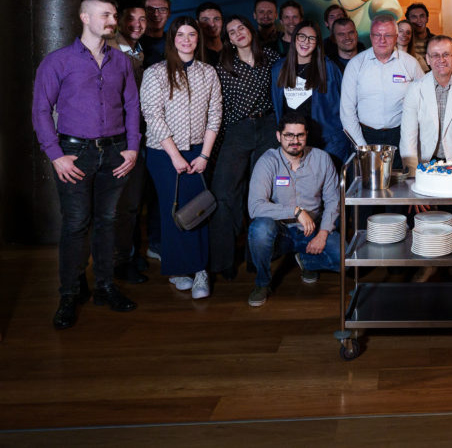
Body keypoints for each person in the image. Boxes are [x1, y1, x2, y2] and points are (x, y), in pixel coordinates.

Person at [33, 0, 141, 329]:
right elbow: (40, 110)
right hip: (74, 153)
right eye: (105, 15)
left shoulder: (121, 61)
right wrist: (55, 155)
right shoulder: (58, 61)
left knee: (108, 220)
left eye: (114, 15)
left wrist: (132, 147)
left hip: (115, 151)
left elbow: (132, 106)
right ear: (85, 17)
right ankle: (69, 294)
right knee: (76, 223)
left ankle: (105, 287)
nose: (112, 21)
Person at [139, 16, 221, 300]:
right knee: (171, 209)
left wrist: (205, 155)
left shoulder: (208, 72)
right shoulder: (156, 72)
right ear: (172, 39)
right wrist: (175, 156)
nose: (186, 40)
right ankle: (177, 269)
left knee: (198, 209)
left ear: (198, 39)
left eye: (192, 35)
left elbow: (215, 115)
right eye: (180, 35)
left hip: (198, 151)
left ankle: (200, 270)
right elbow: (153, 117)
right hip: (164, 153)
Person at [401, 35, 452, 283]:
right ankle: (428, 264)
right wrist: (414, 184)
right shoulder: (415, 89)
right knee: (425, 218)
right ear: (427, 59)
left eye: (446, 54)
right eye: (435, 55)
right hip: (426, 167)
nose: (441, 60)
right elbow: (408, 139)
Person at [209, 15, 281, 280]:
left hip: (267, 127)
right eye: (231, 31)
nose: (238, 33)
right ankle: (223, 261)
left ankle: (256, 256)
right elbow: (219, 106)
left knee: (262, 193)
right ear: (228, 39)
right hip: (236, 130)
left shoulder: (271, 58)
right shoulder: (223, 65)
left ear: (250, 30)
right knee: (224, 193)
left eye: (241, 27)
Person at [246, 113, 343, 307]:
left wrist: (323, 234)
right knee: (260, 229)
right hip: (279, 231)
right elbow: (255, 206)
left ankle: (306, 260)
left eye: (300, 135)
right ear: (278, 136)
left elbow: (333, 201)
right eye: (289, 135)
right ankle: (262, 282)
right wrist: (296, 211)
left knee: (345, 258)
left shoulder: (322, 159)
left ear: (307, 135)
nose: (295, 141)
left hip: (312, 229)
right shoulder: (267, 161)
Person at [108, 0, 150, 283]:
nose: (137, 24)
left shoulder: (137, 50)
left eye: (142, 19)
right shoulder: (111, 48)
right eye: (131, 19)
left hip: (136, 133)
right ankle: (119, 262)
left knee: (133, 202)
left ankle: (130, 255)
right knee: (121, 204)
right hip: (118, 136)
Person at [270, 21, 347, 167]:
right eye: (302, 36)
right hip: (294, 141)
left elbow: (344, 104)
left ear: (317, 43)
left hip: (327, 141)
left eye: (312, 38)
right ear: (294, 38)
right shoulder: (279, 68)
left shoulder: (329, 68)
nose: (306, 42)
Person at [341, 15, 424, 149]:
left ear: (396, 37)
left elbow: (424, 102)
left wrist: (413, 138)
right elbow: (347, 111)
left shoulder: (411, 64)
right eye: (377, 35)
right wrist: (361, 146)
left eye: (388, 35)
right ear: (371, 37)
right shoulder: (355, 64)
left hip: (402, 134)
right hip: (364, 135)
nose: (382, 40)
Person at [141, 0, 171, 68]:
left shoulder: (175, 43)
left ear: (169, 14)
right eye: (150, 9)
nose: (156, 14)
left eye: (162, 9)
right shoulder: (133, 44)